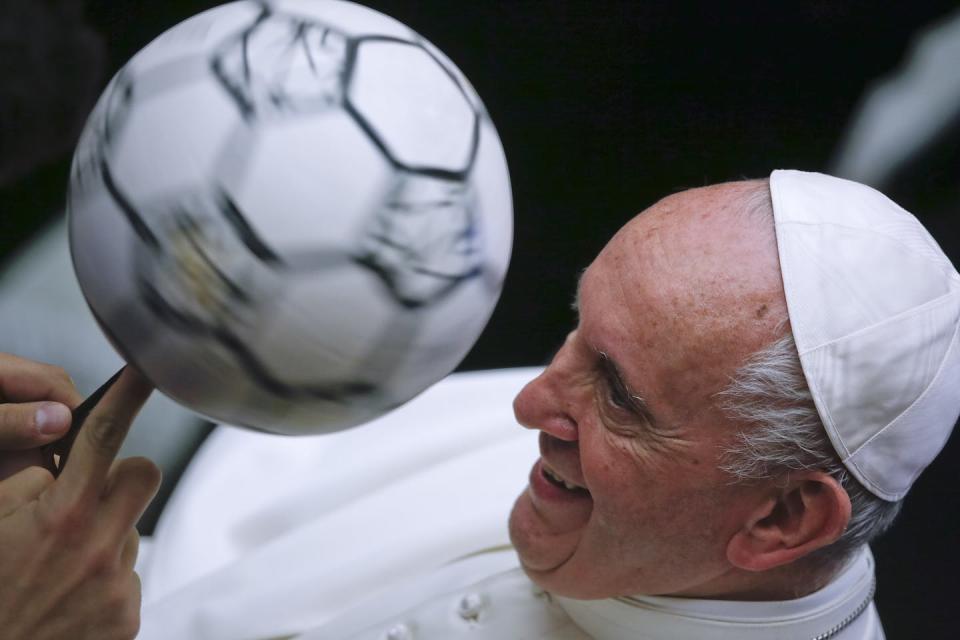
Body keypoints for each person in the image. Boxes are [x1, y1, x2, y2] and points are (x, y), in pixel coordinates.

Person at [2, 170, 957, 639]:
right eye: (576, 330)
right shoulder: (576, 441)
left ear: (781, 518)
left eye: (617, 393)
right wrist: (41, 536)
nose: (527, 400)